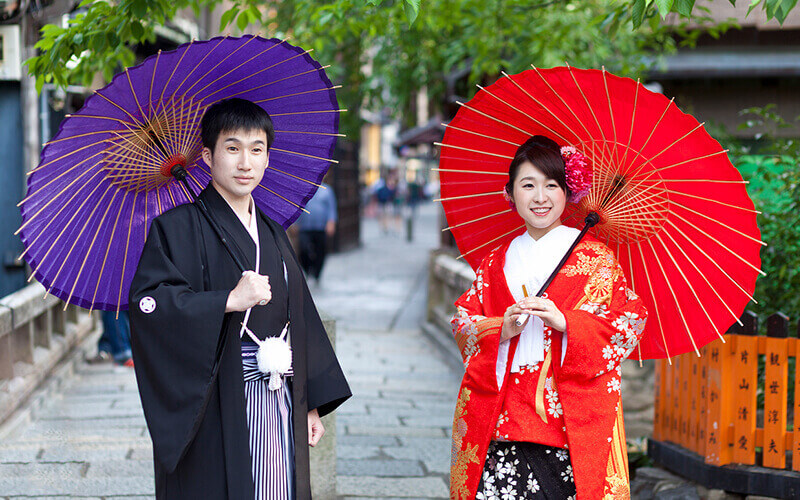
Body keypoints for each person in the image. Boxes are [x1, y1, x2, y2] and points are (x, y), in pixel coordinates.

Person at [129, 98, 351, 500]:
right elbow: (151, 307)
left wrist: (310, 402)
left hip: (278, 394)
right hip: (215, 399)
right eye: (232, 149)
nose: (245, 163)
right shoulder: (174, 229)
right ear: (207, 155)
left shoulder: (275, 232)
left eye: (256, 149)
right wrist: (226, 301)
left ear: (268, 158)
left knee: (277, 487)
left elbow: (300, 318)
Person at [448, 136, 647, 499]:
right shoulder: (496, 261)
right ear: (510, 193)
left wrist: (568, 322)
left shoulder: (596, 260)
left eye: (551, 185)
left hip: (569, 422)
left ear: (567, 192)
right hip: (501, 416)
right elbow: (463, 322)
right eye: (528, 185)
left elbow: (628, 323)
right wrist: (499, 328)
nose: (540, 197)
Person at [295, 180, 337, 283]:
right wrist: (295, 222)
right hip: (305, 226)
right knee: (303, 249)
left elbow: (332, 208)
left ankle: (317, 273)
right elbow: (297, 206)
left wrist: (331, 222)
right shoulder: (302, 189)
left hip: (321, 227)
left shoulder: (326, 190)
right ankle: (307, 269)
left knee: (320, 250)